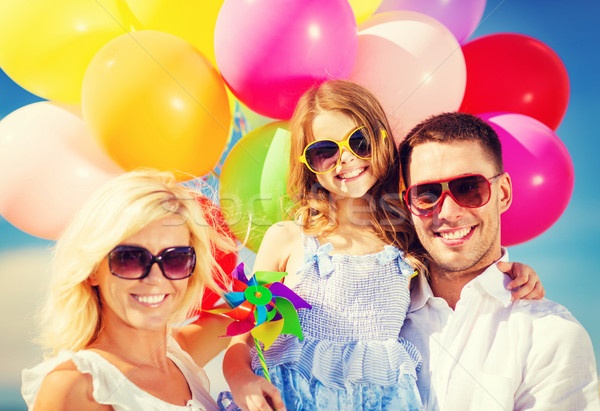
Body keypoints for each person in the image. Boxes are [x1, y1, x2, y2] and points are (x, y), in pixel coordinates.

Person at [220, 80, 544, 411]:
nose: (344, 159)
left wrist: (511, 271)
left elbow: (460, 274)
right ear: (309, 166)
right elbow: (244, 338)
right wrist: (240, 379)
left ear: (382, 139)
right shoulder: (288, 238)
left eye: (359, 141)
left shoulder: (407, 240)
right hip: (290, 399)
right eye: (324, 151)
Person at [398, 112, 600, 410]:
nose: (448, 213)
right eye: (426, 194)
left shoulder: (551, 335)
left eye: (468, 187)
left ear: (502, 193)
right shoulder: (377, 320)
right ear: (409, 206)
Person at [21, 169, 236, 410]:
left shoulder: (181, 357)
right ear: (92, 270)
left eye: (175, 258)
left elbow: (264, 303)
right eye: (130, 258)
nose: (156, 277)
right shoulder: (75, 386)